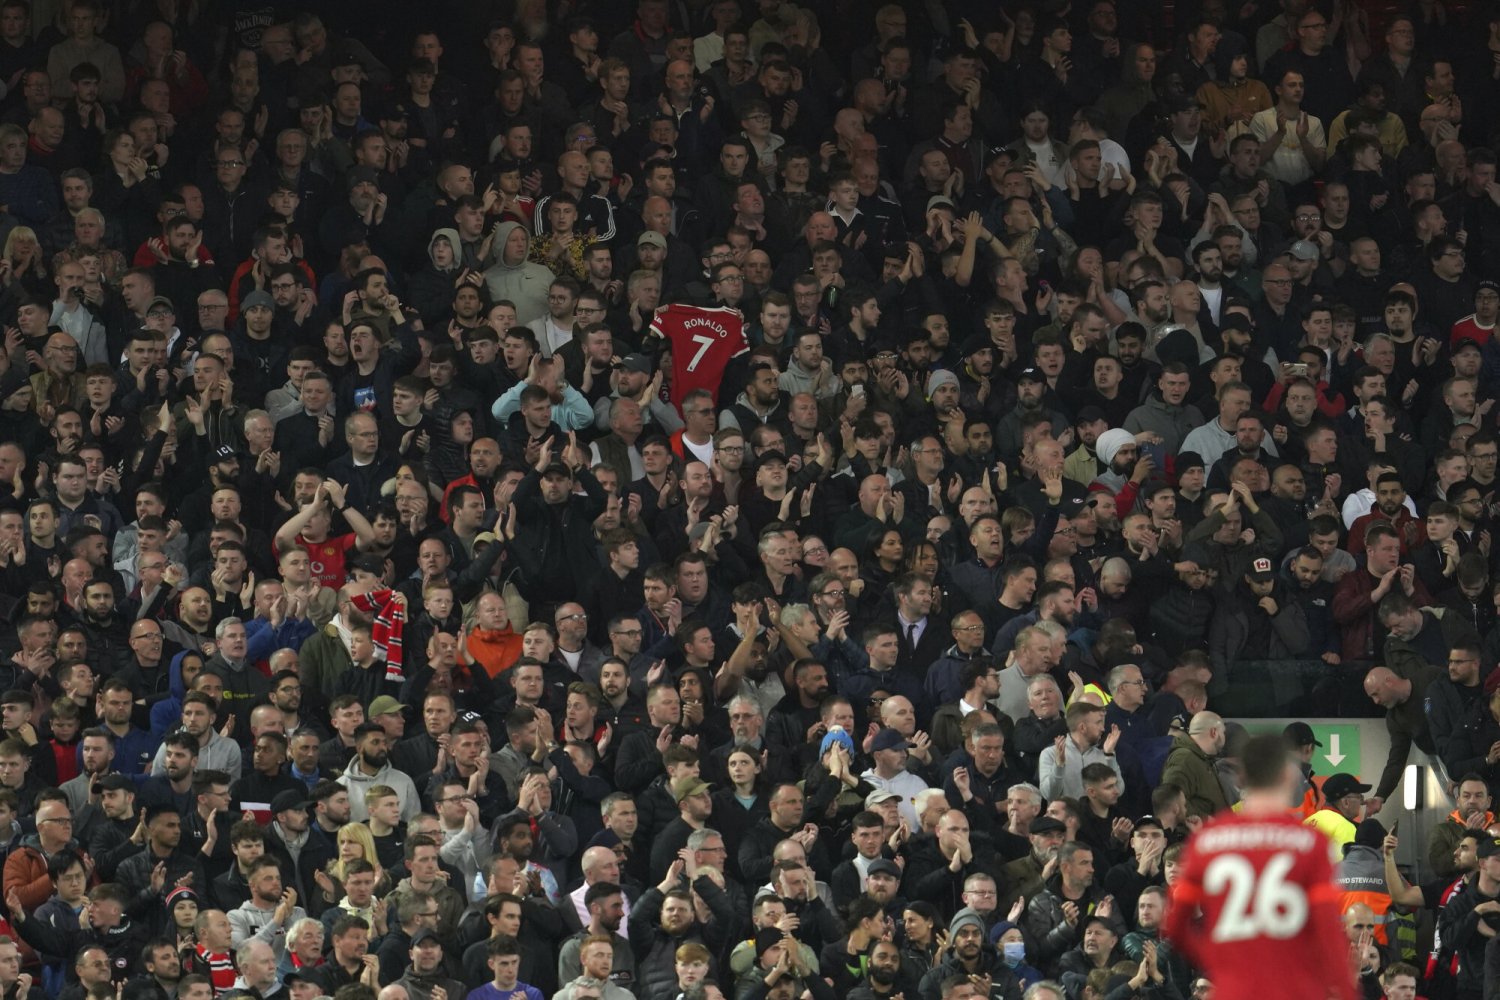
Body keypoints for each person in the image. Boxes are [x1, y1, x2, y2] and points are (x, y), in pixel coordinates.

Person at [1164, 732, 1358, 1000]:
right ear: (1288, 776)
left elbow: (1175, 926)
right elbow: (1328, 933)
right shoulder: (1310, 843)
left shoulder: (1207, 841)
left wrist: (1215, 959)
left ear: (1240, 778)